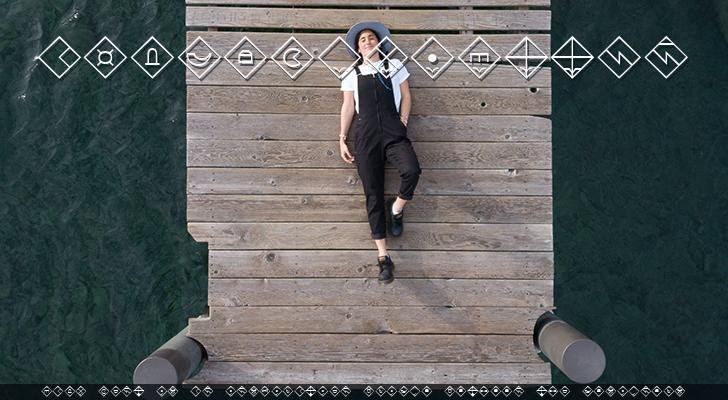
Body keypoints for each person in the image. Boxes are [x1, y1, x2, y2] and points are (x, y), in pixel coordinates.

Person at [339, 21, 422, 284]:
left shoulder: (394, 65)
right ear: (357, 48)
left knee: (411, 170)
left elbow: (406, 96)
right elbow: (348, 107)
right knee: (372, 194)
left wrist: (403, 121)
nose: (367, 41)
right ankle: (383, 258)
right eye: (362, 39)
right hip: (366, 136)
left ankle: (396, 208)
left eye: (371, 37)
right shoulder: (351, 73)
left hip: (393, 130)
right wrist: (342, 138)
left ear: (380, 43)